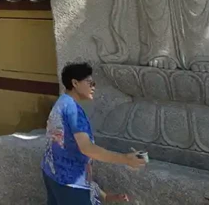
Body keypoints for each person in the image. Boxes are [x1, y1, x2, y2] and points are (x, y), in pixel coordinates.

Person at [42, 62, 144, 204]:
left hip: (53, 175)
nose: (94, 87)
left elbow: (73, 153)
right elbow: (87, 149)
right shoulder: (73, 111)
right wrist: (125, 159)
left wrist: (103, 196)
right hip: (70, 184)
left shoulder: (62, 103)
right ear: (75, 83)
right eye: (90, 83)